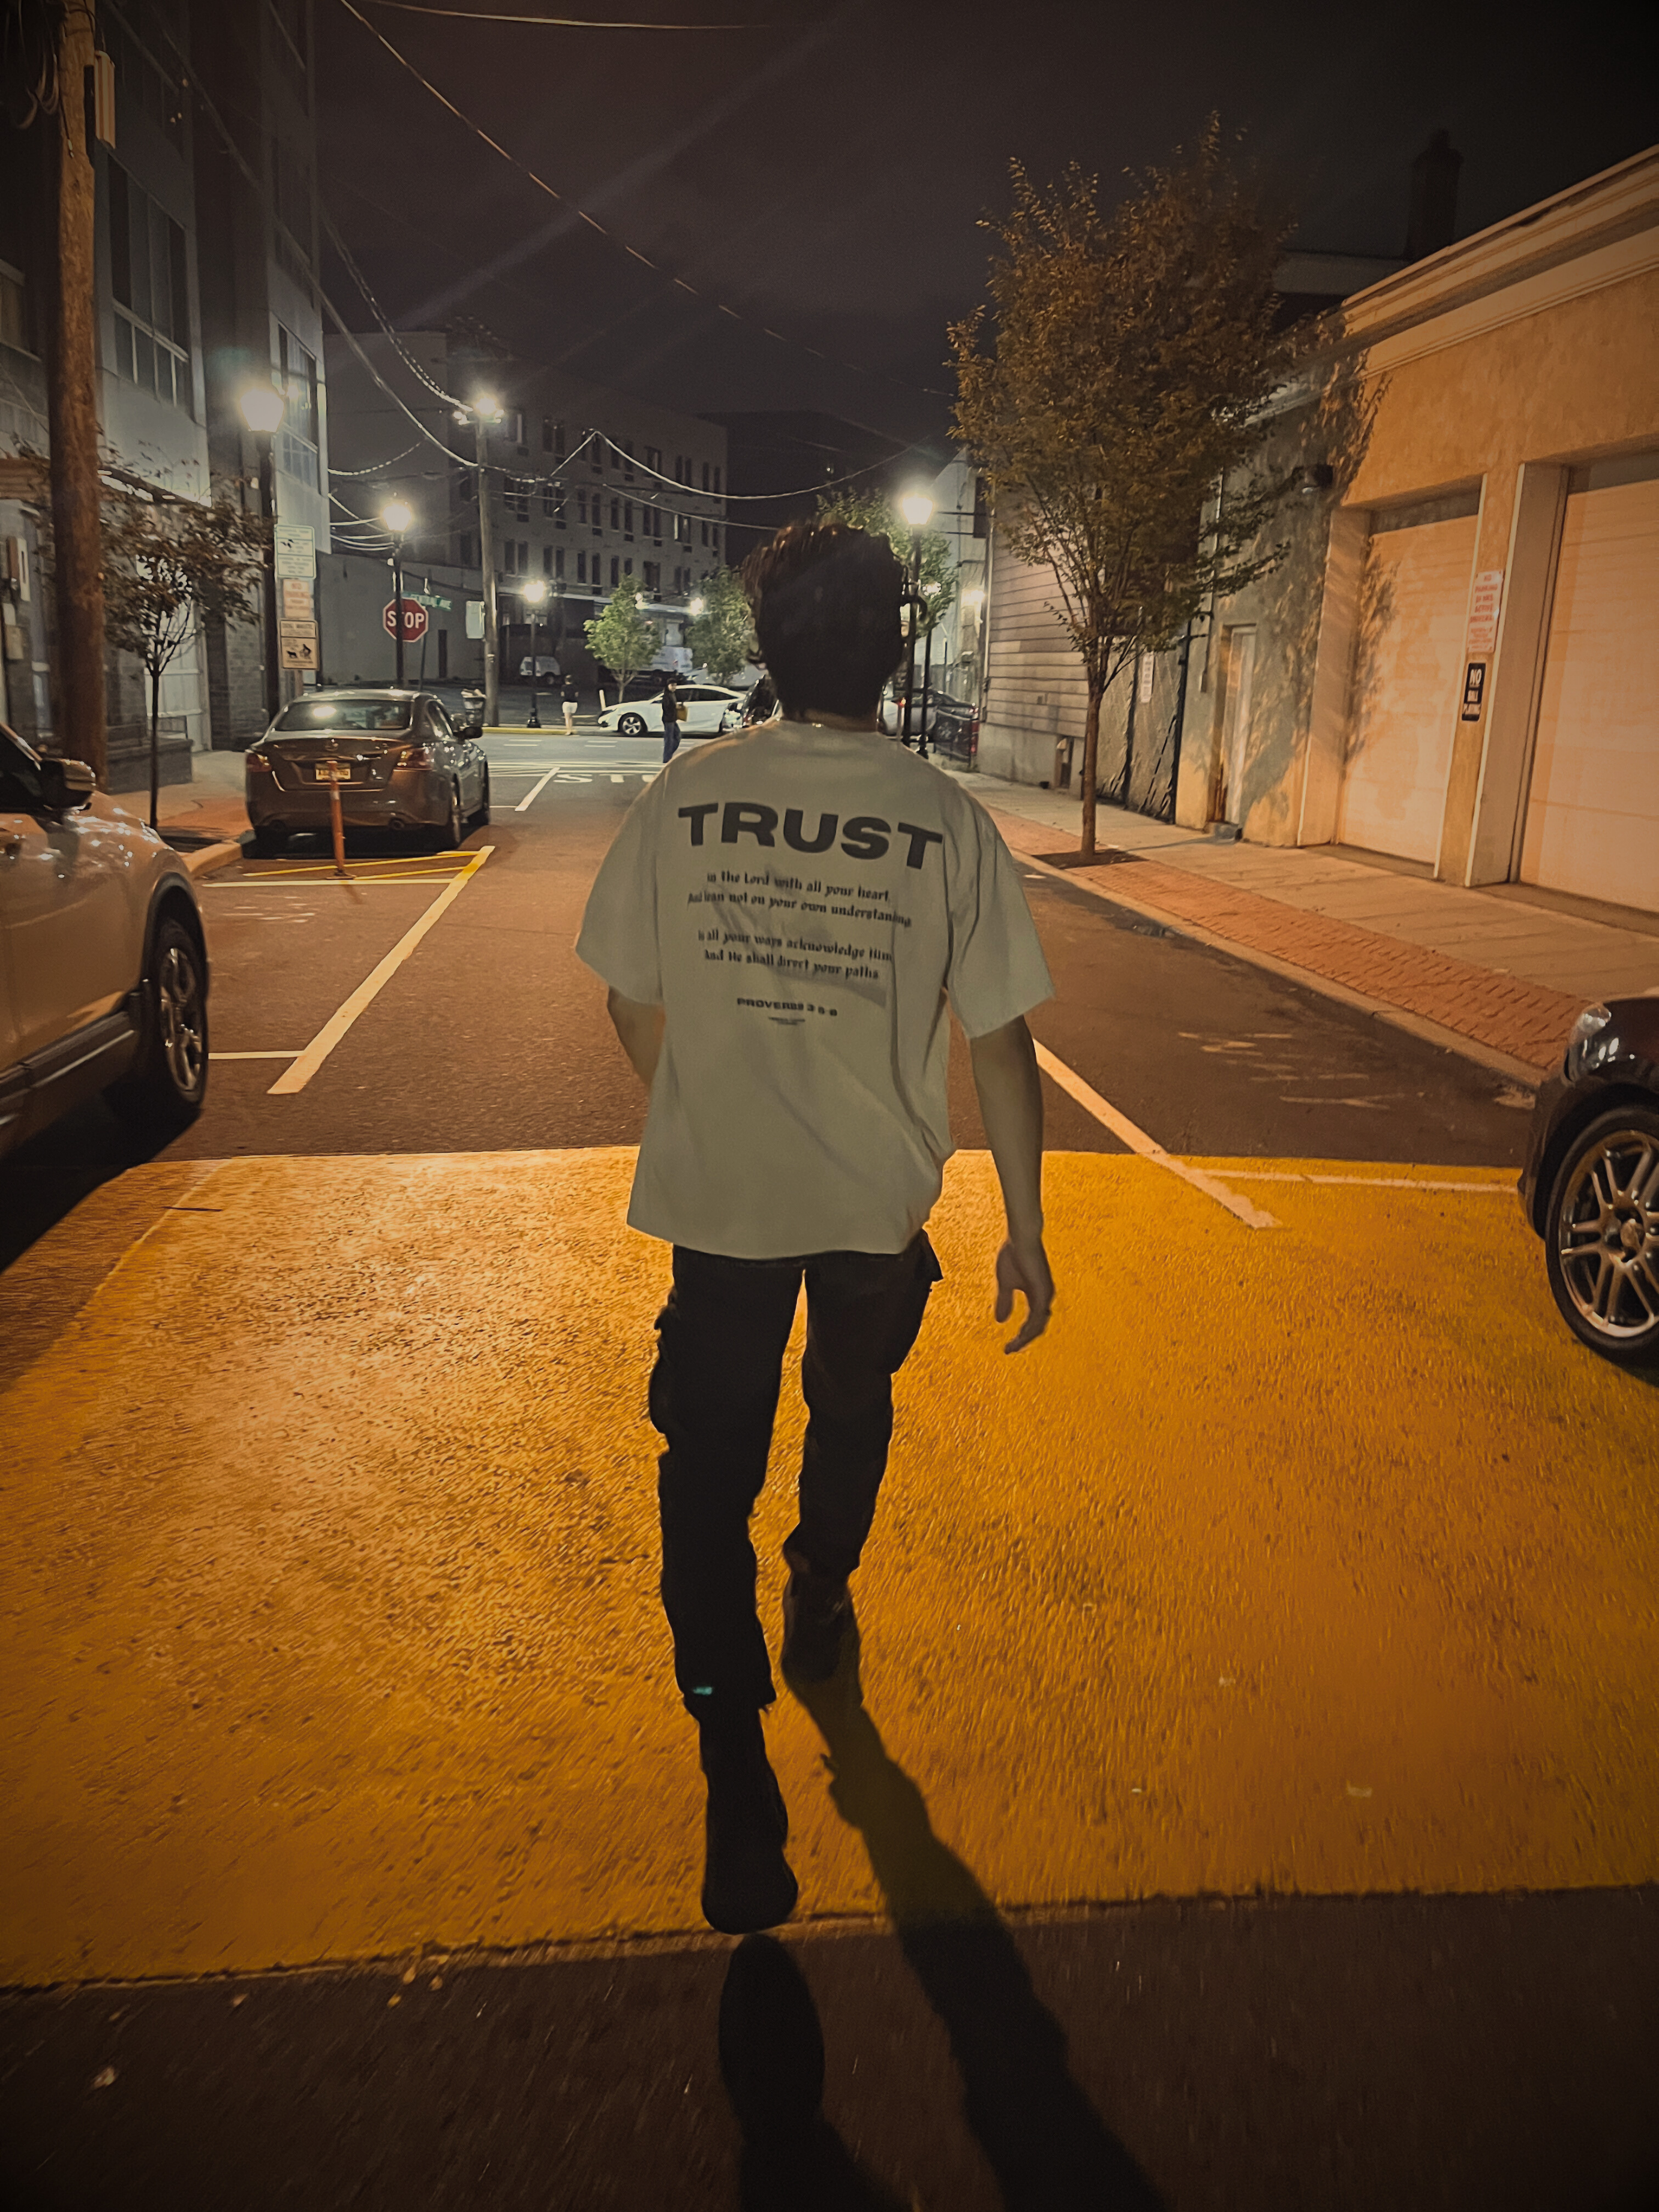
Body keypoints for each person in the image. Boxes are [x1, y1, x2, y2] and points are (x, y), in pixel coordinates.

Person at [576, 523, 1054, 1937]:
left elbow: (626, 997)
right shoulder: (947, 819)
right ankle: (823, 1586)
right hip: (867, 1210)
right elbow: (1006, 1044)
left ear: (766, 647)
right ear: (895, 651)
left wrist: (702, 1105)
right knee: (850, 1406)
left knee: (701, 1477)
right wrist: (1026, 1227)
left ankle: (735, 1770)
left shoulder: (689, 794)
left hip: (721, 1214)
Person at [660, 672, 682, 764]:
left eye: (675, 686)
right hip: (669, 720)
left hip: (673, 720)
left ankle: (669, 755)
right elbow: (666, 707)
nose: (674, 687)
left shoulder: (673, 695)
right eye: (672, 685)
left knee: (677, 737)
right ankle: (667, 759)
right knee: (669, 740)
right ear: (668, 686)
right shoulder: (666, 696)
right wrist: (675, 708)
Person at [561, 672, 579, 736]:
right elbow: (576, 695)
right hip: (574, 703)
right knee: (571, 717)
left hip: (567, 702)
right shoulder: (575, 687)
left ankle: (568, 731)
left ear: (566, 680)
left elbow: (563, 694)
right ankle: (571, 729)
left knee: (567, 718)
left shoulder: (564, 687)